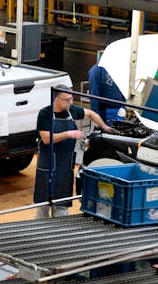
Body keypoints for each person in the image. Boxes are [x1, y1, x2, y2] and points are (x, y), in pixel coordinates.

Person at [34, 84, 117, 219]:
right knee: (43, 205)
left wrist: (104, 126)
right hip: (47, 166)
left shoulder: (71, 110)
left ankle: (60, 232)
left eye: (71, 99)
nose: (70, 102)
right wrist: (68, 134)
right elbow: (46, 139)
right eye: (67, 100)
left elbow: (91, 113)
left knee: (62, 203)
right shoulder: (45, 114)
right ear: (56, 100)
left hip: (65, 165)